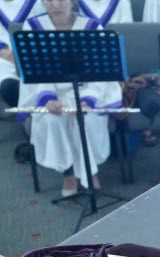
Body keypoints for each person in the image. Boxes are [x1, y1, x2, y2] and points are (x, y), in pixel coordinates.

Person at [18, 0, 121, 196]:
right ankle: (69, 173)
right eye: (49, 0)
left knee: (86, 120)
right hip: (51, 95)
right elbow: (32, 71)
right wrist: (48, 100)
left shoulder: (91, 27)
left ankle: (90, 171)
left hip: (86, 92)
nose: (55, 5)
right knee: (52, 120)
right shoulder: (33, 27)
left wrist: (87, 100)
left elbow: (102, 73)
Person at [0, 0, 46, 107]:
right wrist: (2, 51)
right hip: (4, 60)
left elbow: (46, 25)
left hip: (35, 56)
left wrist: (26, 50)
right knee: (8, 86)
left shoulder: (38, 3)